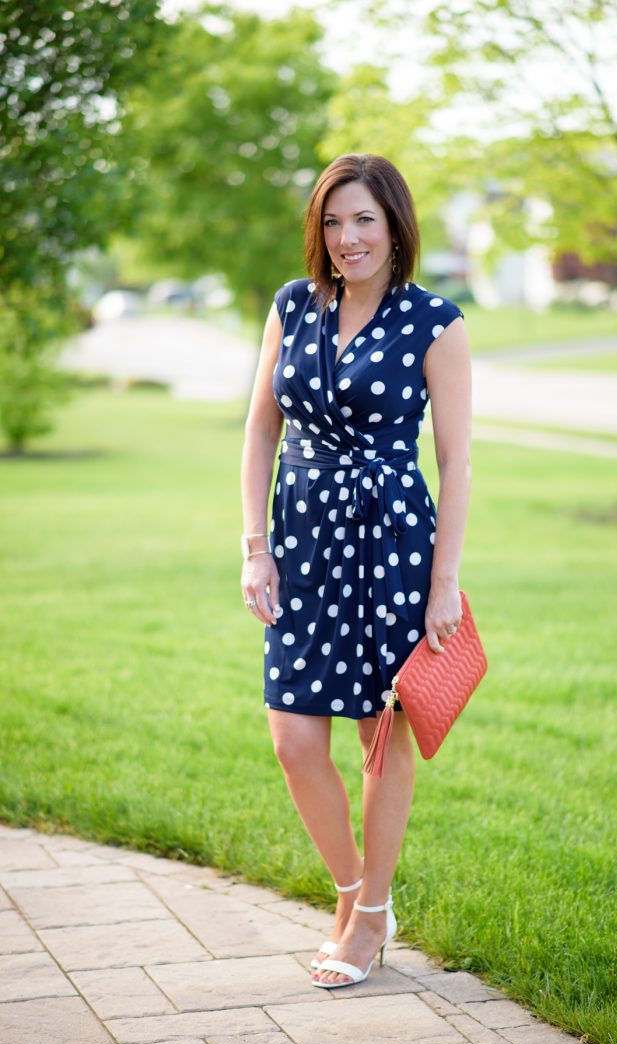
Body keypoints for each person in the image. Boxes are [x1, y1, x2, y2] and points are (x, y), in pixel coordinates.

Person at [240, 153, 472, 988]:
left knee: (381, 736)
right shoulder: (291, 307)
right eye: (334, 221)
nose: (348, 238)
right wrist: (254, 545)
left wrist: (444, 582)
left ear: (395, 225)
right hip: (300, 541)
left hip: (390, 543)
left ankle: (368, 915)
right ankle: (354, 891)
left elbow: (456, 460)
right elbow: (260, 430)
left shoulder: (435, 323)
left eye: (364, 220)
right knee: (293, 736)